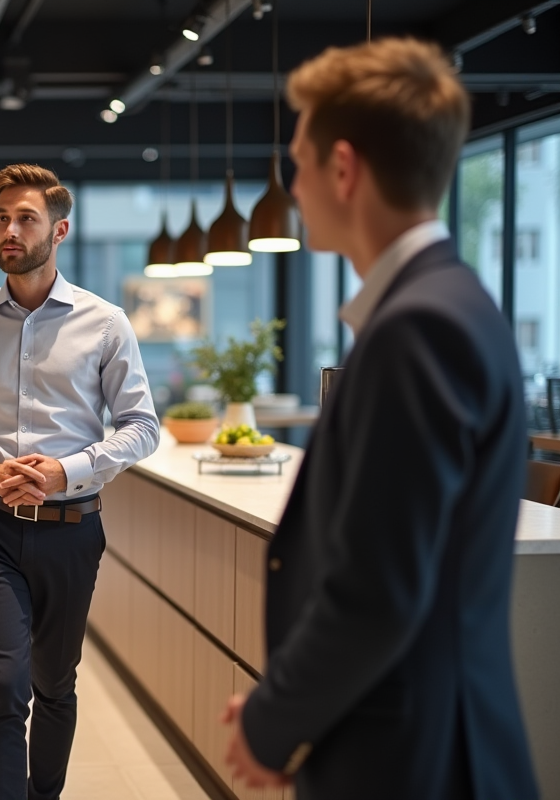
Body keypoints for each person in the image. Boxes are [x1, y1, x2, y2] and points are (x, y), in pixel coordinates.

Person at [221, 38, 539, 800]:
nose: (292, 189)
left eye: (298, 163)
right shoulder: (446, 305)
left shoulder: (418, 328)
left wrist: (271, 722)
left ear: (343, 169)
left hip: (410, 758)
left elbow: (377, 591)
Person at [0, 164, 160, 800]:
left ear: (59, 231)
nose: (10, 230)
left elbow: (141, 426)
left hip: (72, 530)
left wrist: (66, 471)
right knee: (4, 686)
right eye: (2, 217)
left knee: (56, 685)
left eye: (25, 218)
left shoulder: (105, 324)